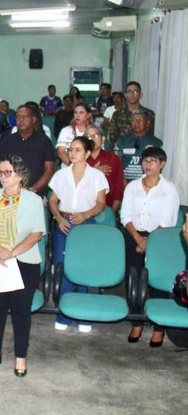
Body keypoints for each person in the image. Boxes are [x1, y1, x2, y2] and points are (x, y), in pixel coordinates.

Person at [0, 155, 46, 377]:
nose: (3, 177)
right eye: (1, 172)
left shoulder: (33, 200)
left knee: (20, 311)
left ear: (20, 176)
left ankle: (21, 356)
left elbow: (36, 234)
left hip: (23, 260)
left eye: (8, 173)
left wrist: (12, 253)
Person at [120, 146, 180, 347]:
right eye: (145, 161)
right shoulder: (133, 187)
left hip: (159, 239)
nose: (148, 165)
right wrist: (138, 239)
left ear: (162, 164)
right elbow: (125, 215)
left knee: (156, 284)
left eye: (153, 161)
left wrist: (148, 242)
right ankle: (136, 322)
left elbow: (168, 220)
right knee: (134, 281)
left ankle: (158, 328)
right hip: (133, 237)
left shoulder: (169, 189)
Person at [48, 136, 109, 332]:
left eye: (77, 150)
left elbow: (101, 203)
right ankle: (64, 314)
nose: (72, 153)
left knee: (83, 268)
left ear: (87, 153)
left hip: (86, 222)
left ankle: (83, 315)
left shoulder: (96, 176)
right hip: (64, 222)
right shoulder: (61, 174)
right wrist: (58, 218)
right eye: (70, 149)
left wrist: (85, 214)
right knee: (63, 266)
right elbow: (52, 201)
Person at [0, 105, 55, 197]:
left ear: (34, 120)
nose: (21, 120)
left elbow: (49, 170)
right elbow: (2, 168)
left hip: (36, 194)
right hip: (11, 193)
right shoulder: (8, 141)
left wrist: (31, 190)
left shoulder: (44, 141)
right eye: (18, 117)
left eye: (25, 117)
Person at [114, 109, 163, 183]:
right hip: (125, 183)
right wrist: (123, 182)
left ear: (147, 122)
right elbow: (116, 163)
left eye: (140, 120)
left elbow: (158, 166)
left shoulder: (156, 142)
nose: (136, 123)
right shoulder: (122, 141)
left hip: (148, 183)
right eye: (134, 120)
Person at [84, 126, 124, 213]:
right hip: (83, 208)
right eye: (88, 136)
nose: (91, 139)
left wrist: (112, 212)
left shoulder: (112, 158)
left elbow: (118, 187)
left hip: (107, 209)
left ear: (103, 139)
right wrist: (93, 172)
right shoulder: (79, 158)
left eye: (95, 136)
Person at [108, 81, 156, 149]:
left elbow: (152, 136)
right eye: (129, 92)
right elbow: (112, 138)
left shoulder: (149, 114)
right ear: (125, 95)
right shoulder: (117, 115)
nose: (132, 94)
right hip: (123, 151)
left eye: (135, 91)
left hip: (143, 151)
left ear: (141, 95)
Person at [56, 103, 92, 167]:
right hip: (68, 168)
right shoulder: (66, 130)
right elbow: (60, 152)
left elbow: (97, 153)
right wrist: (74, 166)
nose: (77, 115)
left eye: (81, 112)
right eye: (75, 112)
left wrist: (85, 169)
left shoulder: (93, 131)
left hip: (89, 169)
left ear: (88, 115)